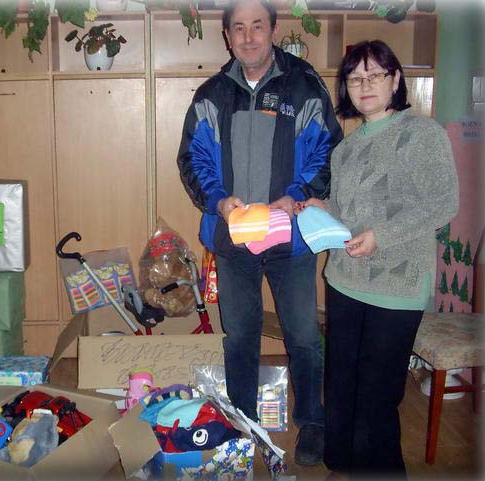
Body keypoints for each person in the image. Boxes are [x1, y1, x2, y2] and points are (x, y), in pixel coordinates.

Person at [177, 0, 342, 466]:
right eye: (239, 28)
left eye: (258, 26)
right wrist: (218, 200)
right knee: (240, 336)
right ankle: (243, 422)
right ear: (227, 35)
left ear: (273, 30)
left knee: (304, 335)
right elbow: (192, 158)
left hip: (290, 239)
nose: (248, 37)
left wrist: (296, 196)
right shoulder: (210, 95)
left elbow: (327, 151)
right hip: (233, 242)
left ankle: (312, 421)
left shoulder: (305, 86)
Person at [299, 40, 458, 478]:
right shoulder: (346, 149)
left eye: (375, 75)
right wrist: (322, 209)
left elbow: (443, 203)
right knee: (343, 383)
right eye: (355, 78)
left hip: (398, 285)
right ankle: (343, 464)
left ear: (396, 80)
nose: (365, 85)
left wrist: (381, 236)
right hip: (346, 278)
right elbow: (351, 215)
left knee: (377, 392)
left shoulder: (422, 134)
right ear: (346, 87)